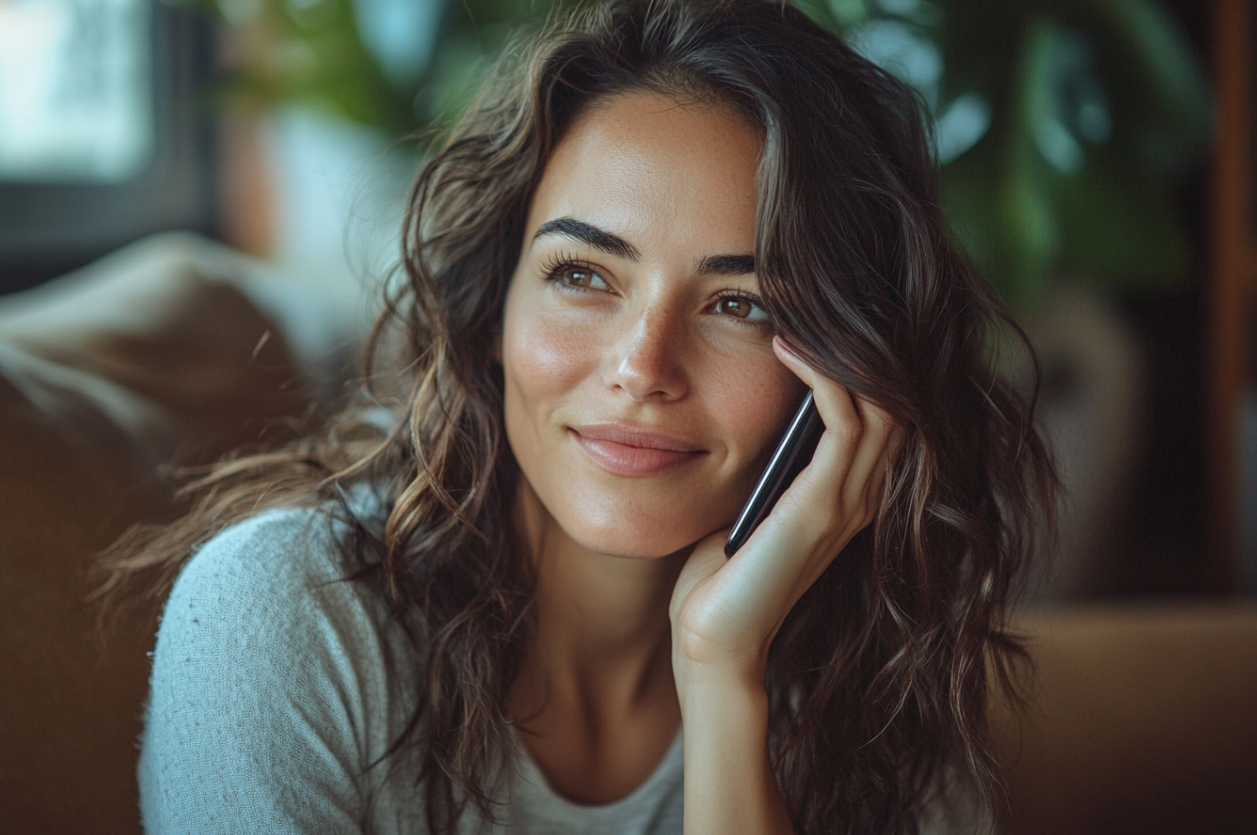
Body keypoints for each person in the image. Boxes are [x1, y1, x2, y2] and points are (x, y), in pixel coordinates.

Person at [103, 1, 1056, 832]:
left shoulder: (881, 686)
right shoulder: (283, 620)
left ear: (845, 376)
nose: (641, 368)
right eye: (582, 275)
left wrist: (724, 676)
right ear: (492, 316)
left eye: (741, 303)